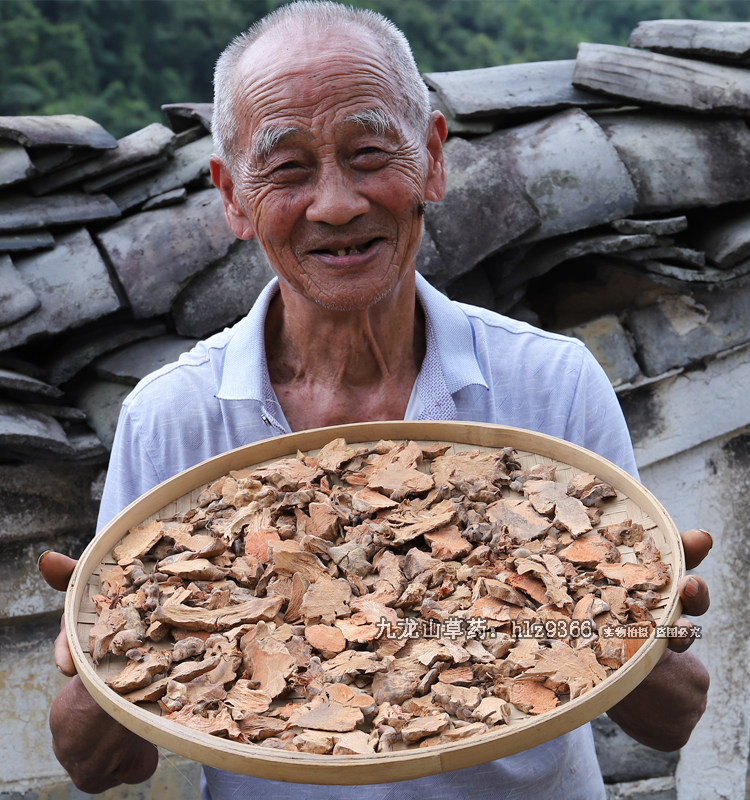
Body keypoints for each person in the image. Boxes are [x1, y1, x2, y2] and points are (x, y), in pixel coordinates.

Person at [39, 2, 710, 798]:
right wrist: (117, 634)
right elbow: (100, 766)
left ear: (432, 159)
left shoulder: (548, 383)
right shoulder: (173, 418)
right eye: (288, 169)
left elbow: (670, 720)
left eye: (367, 154)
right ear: (232, 198)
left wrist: (622, 613)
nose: (336, 204)